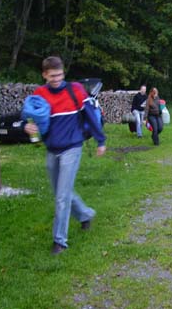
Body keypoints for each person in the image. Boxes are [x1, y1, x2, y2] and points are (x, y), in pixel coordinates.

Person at [24, 56, 106, 255]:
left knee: (61, 197)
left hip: (72, 147)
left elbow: (90, 116)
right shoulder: (40, 94)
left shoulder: (75, 90)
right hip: (52, 148)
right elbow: (29, 116)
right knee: (61, 192)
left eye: (59, 74)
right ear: (44, 74)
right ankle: (86, 215)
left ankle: (59, 241)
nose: (57, 79)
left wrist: (100, 140)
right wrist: (27, 126)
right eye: (52, 75)